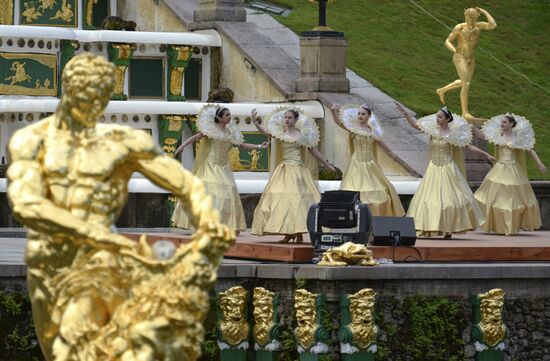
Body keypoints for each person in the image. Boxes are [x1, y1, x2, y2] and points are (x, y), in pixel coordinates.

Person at [6, 53, 232, 360]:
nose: (94, 105)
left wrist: (208, 220)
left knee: (90, 341)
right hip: (52, 258)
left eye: (101, 97)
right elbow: (27, 203)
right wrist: (95, 234)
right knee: (58, 351)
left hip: (103, 259)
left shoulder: (120, 141)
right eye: (87, 95)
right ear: (69, 90)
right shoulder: (32, 140)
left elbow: (185, 182)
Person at [396, 103, 494, 238]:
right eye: (437, 116)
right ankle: (428, 227)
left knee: (451, 198)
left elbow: (468, 147)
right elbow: (415, 126)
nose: (437, 119)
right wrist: (405, 114)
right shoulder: (432, 130)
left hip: (447, 167)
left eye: (440, 117)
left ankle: (449, 228)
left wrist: (486, 154)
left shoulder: (452, 134)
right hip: (434, 168)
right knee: (428, 198)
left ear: (447, 119)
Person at [171, 104, 268, 232]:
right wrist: (182, 146)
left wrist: (260, 146)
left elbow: (243, 145)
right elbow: (196, 138)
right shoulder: (211, 130)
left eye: (229, 115)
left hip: (224, 167)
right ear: (220, 118)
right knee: (211, 193)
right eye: (227, 115)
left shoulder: (231, 133)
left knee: (227, 193)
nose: (229, 117)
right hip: (210, 165)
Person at [250, 107, 335, 243]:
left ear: (296, 120)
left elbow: (313, 151)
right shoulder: (280, 133)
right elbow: (266, 133)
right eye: (286, 117)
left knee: (298, 200)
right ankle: (289, 233)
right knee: (283, 198)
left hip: (298, 171)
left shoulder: (301, 136)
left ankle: (299, 232)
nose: (287, 120)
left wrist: (326, 164)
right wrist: (255, 123)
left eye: (290, 118)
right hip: (284, 170)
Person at [473, 113, 546, 234]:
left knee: (511, 197)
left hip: (513, 169)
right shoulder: (498, 136)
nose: (502, 124)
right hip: (499, 168)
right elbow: (482, 136)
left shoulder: (517, 138)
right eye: (501, 122)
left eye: (505, 122)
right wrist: (473, 128)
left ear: (511, 124)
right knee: (494, 197)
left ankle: (510, 225)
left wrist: (539, 163)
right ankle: (498, 224)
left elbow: (530, 150)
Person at [330, 103, 405, 216]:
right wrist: (332, 111)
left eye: (363, 114)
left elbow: (382, 144)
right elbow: (338, 123)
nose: (360, 116)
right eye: (359, 114)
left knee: (380, 193)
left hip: (370, 164)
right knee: (353, 189)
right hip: (356, 164)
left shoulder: (373, 131)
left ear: (369, 116)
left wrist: (392, 155)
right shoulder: (353, 128)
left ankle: (375, 220)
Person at [436, 7, 496, 124]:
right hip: (460, 56)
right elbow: (447, 41)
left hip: (470, 58)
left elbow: (492, 25)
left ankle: (442, 90)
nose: (470, 20)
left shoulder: (479, 26)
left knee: (465, 83)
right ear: (465, 17)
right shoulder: (460, 27)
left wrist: (484, 12)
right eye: (468, 17)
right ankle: (465, 113)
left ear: (476, 17)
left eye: (472, 18)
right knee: (466, 84)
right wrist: (454, 51)